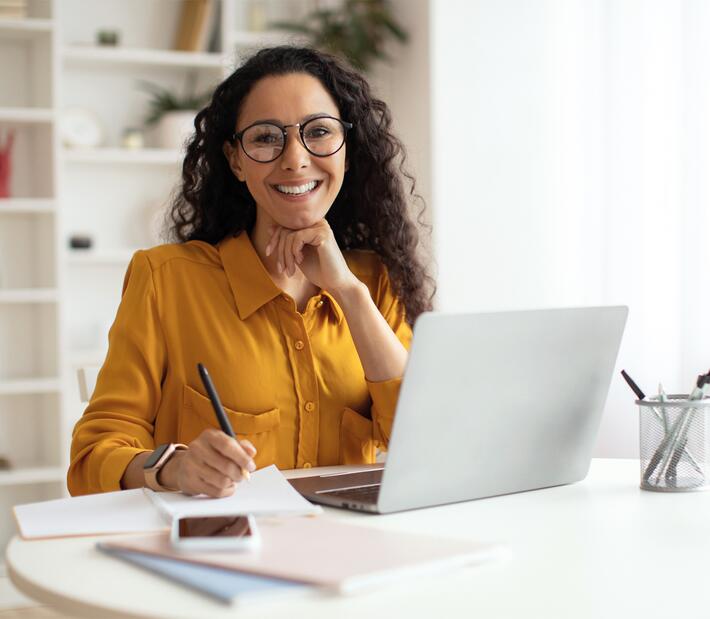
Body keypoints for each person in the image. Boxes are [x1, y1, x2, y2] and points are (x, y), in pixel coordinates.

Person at [68, 46, 434, 498]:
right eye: (265, 138)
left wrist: (348, 292)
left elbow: (427, 445)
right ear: (236, 159)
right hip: (218, 553)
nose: (295, 159)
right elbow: (93, 455)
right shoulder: (166, 280)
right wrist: (175, 467)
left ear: (347, 151)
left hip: (345, 552)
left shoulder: (373, 282)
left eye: (318, 131)